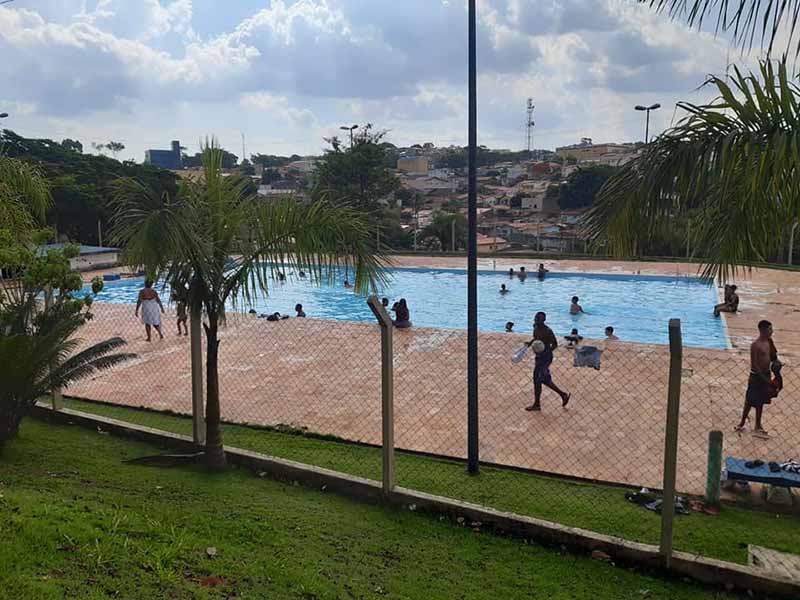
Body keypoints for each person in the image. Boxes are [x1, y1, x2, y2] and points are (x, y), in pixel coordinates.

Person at [735, 320, 779, 438]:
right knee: (749, 400)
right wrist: (765, 379)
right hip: (756, 376)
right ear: (763, 330)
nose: (772, 331)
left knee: (761, 401)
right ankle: (742, 422)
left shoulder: (769, 342)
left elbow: (774, 356)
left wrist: (776, 368)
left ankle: (758, 425)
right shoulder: (755, 345)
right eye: (770, 329)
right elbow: (754, 365)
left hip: (766, 374)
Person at [525, 339, 570, 411]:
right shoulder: (537, 328)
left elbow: (554, 344)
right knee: (543, 379)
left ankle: (537, 404)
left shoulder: (546, 331)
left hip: (544, 358)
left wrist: (545, 353)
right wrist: (530, 343)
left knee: (538, 380)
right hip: (541, 357)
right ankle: (563, 395)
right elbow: (536, 337)